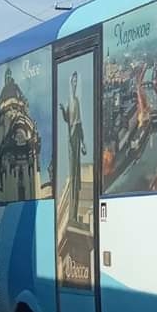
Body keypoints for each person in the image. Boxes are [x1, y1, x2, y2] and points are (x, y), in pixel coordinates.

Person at [59, 70, 87, 225]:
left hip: (76, 137)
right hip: (71, 141)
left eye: (76, 81)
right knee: (73, 175)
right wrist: (63, 110)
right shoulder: (69, 101)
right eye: (73, 81)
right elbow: (68, 119)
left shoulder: (76, 101)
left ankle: (74, 216)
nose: (75, 84)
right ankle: (72, 215)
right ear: (70, 83)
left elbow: (79, 123)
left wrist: (83, 142)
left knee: (76, 176)